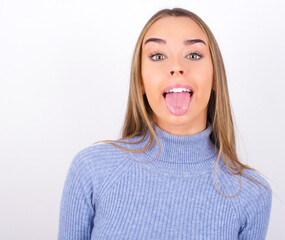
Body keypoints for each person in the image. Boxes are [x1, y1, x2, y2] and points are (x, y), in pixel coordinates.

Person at [58, 8, 272, 240]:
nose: (177, 67)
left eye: (193, 55)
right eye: (158, 56)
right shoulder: (91, 170)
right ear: (140, 80)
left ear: (215, 77)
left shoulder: (253, 194)